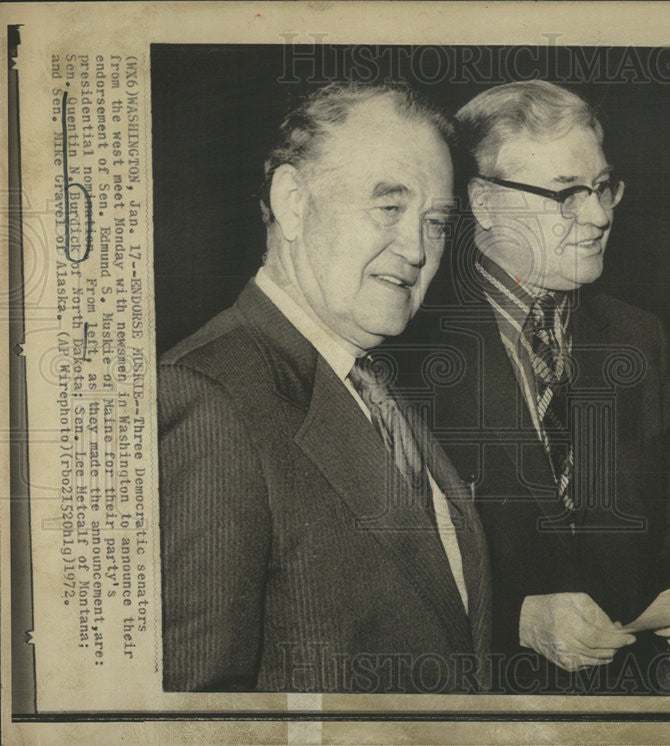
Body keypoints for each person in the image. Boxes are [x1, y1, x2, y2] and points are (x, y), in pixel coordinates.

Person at [401, 81, 670, 694]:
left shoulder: (637, 338)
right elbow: (373, 570)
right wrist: (517, 619)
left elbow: (662, 523)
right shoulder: (407, 345)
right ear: (483, 202)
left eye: (604, 187)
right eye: (565, 194)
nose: (601, 215)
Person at [157, 81, 491, 693]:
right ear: (291, 202)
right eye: (388, 208)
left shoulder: (372, 385)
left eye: (436, 222)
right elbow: (194, 709)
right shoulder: (208, 398)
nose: (417, 249)